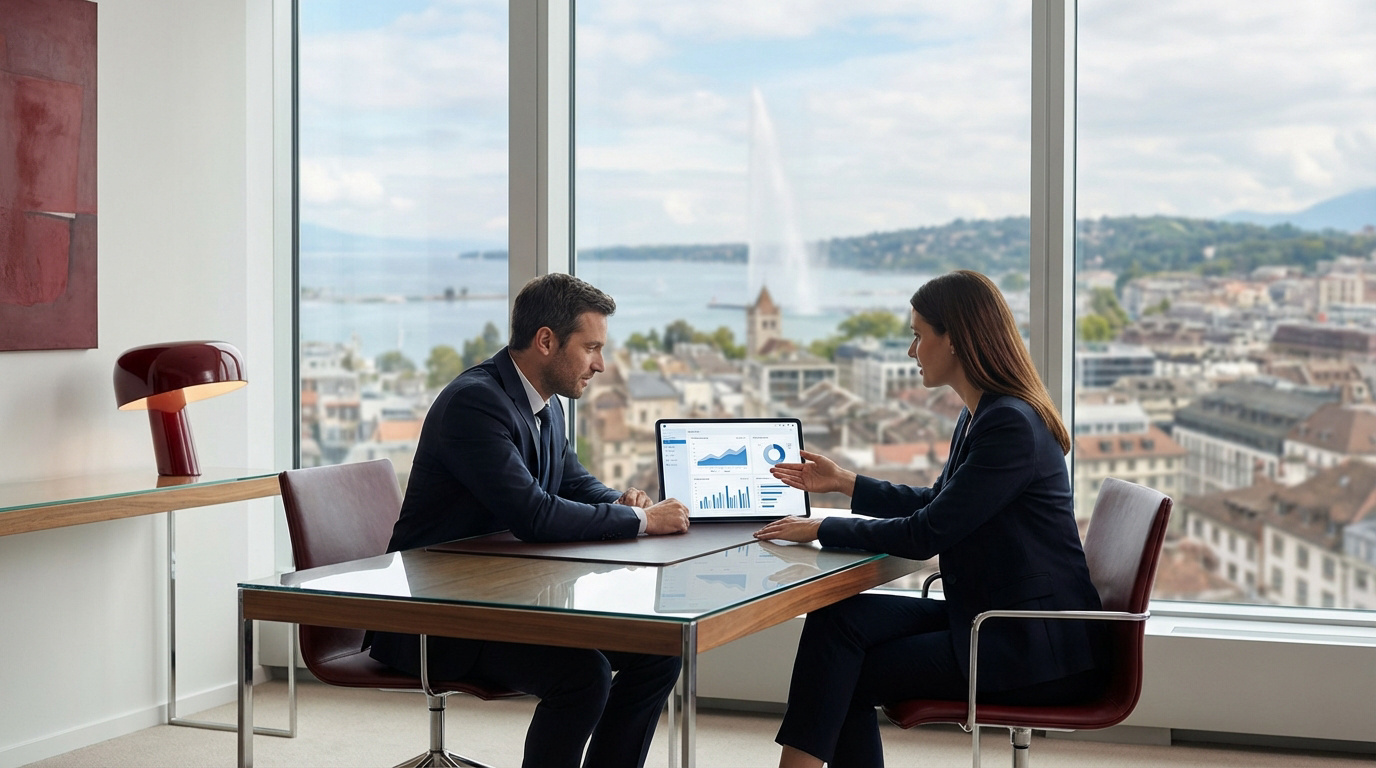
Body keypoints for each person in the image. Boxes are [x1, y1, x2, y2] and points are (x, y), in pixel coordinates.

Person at [754, 269, 1109, 768]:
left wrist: (820, 527)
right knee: (837, 621)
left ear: (956, 339)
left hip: (1028, 643)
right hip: (989, 616)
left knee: (846, 672)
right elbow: (937, 501)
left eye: (919, 334)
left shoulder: (1009, 423)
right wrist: (845, 483)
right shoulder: (982, 415)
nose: (911, 350)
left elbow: (925, 533)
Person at [370, 273, 691, 768]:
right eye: (591, 348)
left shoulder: (546, 405)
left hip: (503, 601)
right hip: (438, 618)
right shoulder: (475, 404)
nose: (600, 365)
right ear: (546, 340)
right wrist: (643, 525)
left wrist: (631, 507)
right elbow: (535, 515)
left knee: (657, 653)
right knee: (582, 676)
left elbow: (574, 483)